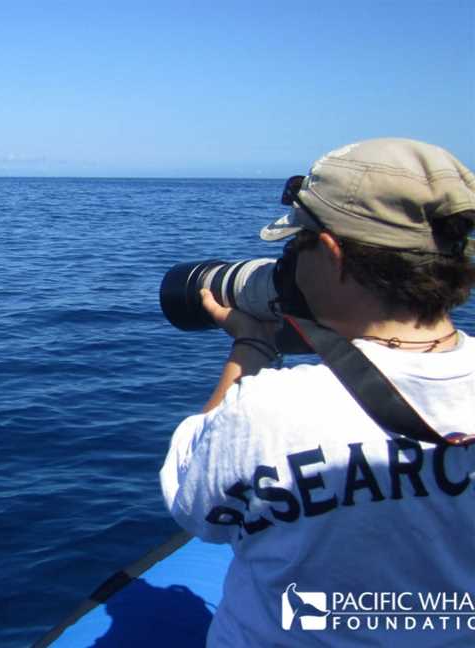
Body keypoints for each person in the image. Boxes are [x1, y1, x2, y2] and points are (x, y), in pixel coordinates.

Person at [159, 138, 475, 646]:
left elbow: (193, 503)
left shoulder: (270, 408)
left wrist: (250, 345)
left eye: (295, 246)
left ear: (332, 254)